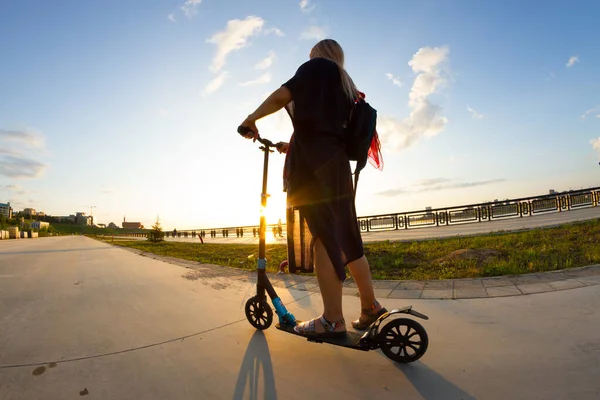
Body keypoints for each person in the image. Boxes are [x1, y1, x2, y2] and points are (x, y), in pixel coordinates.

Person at [239, 39, 387, 339]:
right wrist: (287, 145)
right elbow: (325, 129)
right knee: (346, 237)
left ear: (319, 54)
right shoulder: (346, 86)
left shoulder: (317, 67)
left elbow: (282, 95)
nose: (307, 59)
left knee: (323, 238)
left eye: (310, 55)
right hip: (335, 169)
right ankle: (370, 306)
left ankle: (333, 320)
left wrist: (250, 119)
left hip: (313, 172)